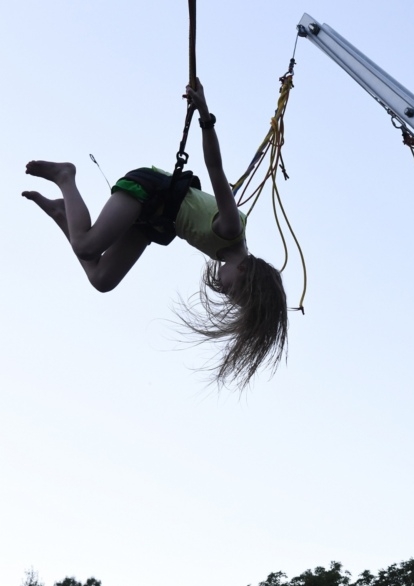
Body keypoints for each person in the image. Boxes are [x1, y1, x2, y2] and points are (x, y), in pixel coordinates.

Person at [22, 79, 288, 389]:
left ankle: (62, 213)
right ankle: (65, 176)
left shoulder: (223, 251)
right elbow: (216, 169)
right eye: (235, 292)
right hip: (149, 192)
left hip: (155, 220)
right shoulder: (230, 229)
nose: (226, 292)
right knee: (86, 246)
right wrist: (205, 116)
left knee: (102, 280)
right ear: (244, 270)